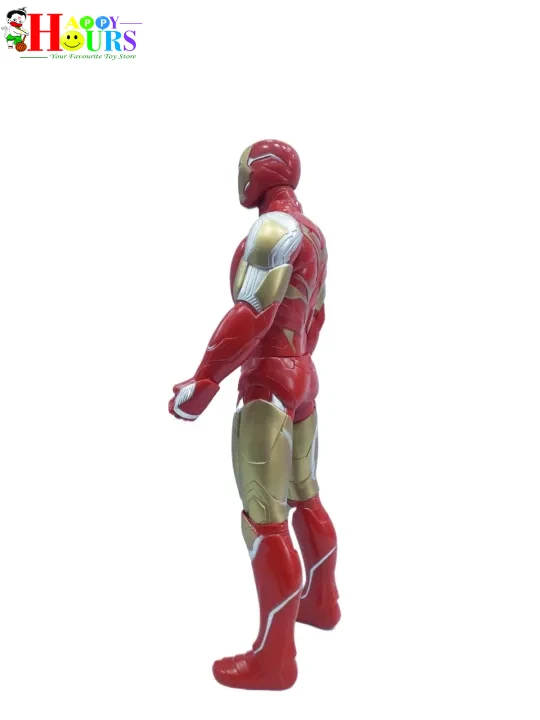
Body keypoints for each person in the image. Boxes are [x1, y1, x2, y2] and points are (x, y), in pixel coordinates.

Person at [169, 140, 340, 690]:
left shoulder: (272, 230)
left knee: (264, 519)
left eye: (244, 167)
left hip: (267, 380)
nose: (239, 177)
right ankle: (321, 602)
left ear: (260, 174)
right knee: (305, 493)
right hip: (303, 372)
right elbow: (317, 312)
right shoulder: (314, 233)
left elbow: (253, 311)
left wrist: (205, 380)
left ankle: (275, 660)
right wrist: (296, 364)